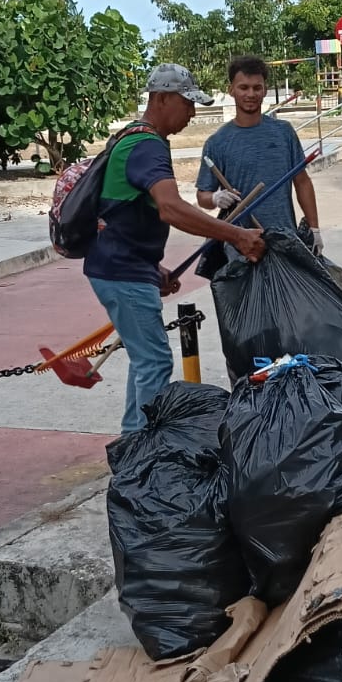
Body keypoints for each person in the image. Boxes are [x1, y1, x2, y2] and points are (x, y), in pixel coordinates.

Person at [83, 62, 265, 433]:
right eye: (187, 103)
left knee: (144, 360)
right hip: (121, 271)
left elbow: (124, 214)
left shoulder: (131, 137)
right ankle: (143, 447)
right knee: (154, 362)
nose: (192, 113)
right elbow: (171, 208)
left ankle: (133, 440)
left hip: (121, 266)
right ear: (162, 98)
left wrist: (153, 267)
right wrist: (236, 235)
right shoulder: (147, 145)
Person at [195, 54, 323, 254]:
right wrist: (215, 198)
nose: (251, 94)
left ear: (264, 90)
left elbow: (302, 182)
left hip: (284, 240)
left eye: (257, 87)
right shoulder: (217, 142)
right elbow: (202, 196)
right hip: (240, 246)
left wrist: (314, 229)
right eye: (243, 87)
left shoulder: (284, 132)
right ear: (231, 90)